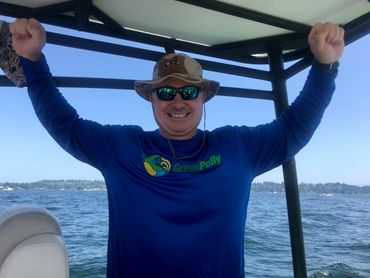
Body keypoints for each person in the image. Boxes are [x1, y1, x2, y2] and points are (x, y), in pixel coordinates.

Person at [8, 18, 344, 277]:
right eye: (166, 93)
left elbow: (292, 130)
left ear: (203, 96)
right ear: (151, 99)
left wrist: (325, 67)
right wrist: (33, 60)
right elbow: (64, 124)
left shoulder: (238, 147)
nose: (178, 101)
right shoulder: (122, 147)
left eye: (188, 92)